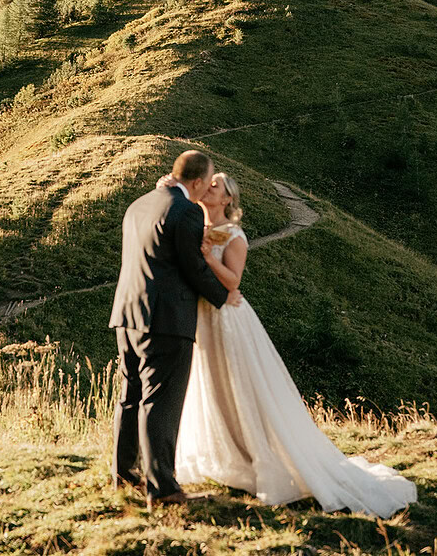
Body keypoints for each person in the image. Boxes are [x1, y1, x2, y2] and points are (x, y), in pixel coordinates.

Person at [162, 170, 418, 518]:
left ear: (227, 200)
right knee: (212, 387)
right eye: (207, 183)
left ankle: (261, 458)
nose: (208, 186)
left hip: (228, 319)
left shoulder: (234, 235)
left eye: (216, 185)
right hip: (201, 319)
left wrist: (208, 258)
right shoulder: (196, 226)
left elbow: (233, 282)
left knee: (242, 387)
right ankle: (230, 455)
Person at [109, 150, 242, 511]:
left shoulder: (139, 204)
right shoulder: (184, 211)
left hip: (127, 313)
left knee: (130, 395)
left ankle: (123, 475)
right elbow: (193, 267)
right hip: (165, 319)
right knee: (161, 402)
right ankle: (163, 488)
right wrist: (224, 295)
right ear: (197, 182)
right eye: (208, 181)